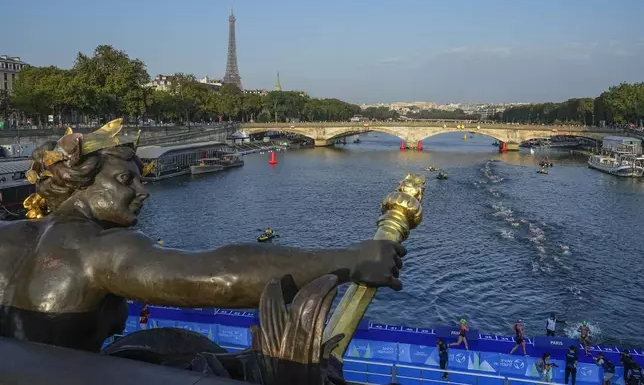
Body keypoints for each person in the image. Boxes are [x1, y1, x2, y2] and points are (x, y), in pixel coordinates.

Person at [0, 119, 407, 353]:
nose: (142, 192)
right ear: (81, 183)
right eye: (126, 180)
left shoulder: (10, 235)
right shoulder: (99, 249)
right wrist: (353, 260)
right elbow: (220, 276)